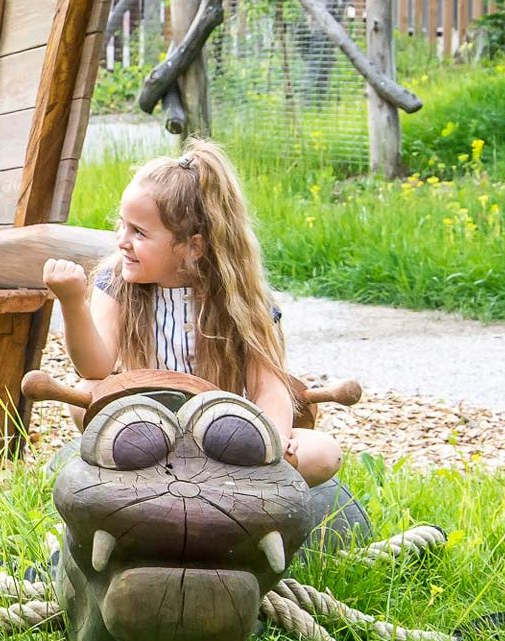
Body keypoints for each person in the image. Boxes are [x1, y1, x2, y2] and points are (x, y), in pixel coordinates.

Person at [43, 139, 343, 487]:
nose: (122, 241)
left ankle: (220, 477)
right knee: (87, 396)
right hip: (146, 428)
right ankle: (202, 478)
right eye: (121, 225)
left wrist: (272, 439)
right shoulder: (117, 282)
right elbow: (93, 367)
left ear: (193, 246)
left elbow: (269, 388)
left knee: (322, 453)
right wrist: (71, 302)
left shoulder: (240, 297)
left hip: (228, 436)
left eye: (138, 232)